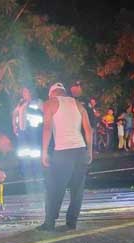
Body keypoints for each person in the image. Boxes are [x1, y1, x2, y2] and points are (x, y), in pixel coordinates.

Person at [37, 82, 93, 232]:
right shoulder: (78, 104)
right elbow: (88, 130)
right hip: (80, 150)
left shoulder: (49, 104)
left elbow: (47, 128)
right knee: (77, 190)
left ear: (51, 94)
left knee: (55, 188)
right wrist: (90, 151)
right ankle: (71, 223)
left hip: (63, 152)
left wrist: (44, 152)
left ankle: (49, 223)